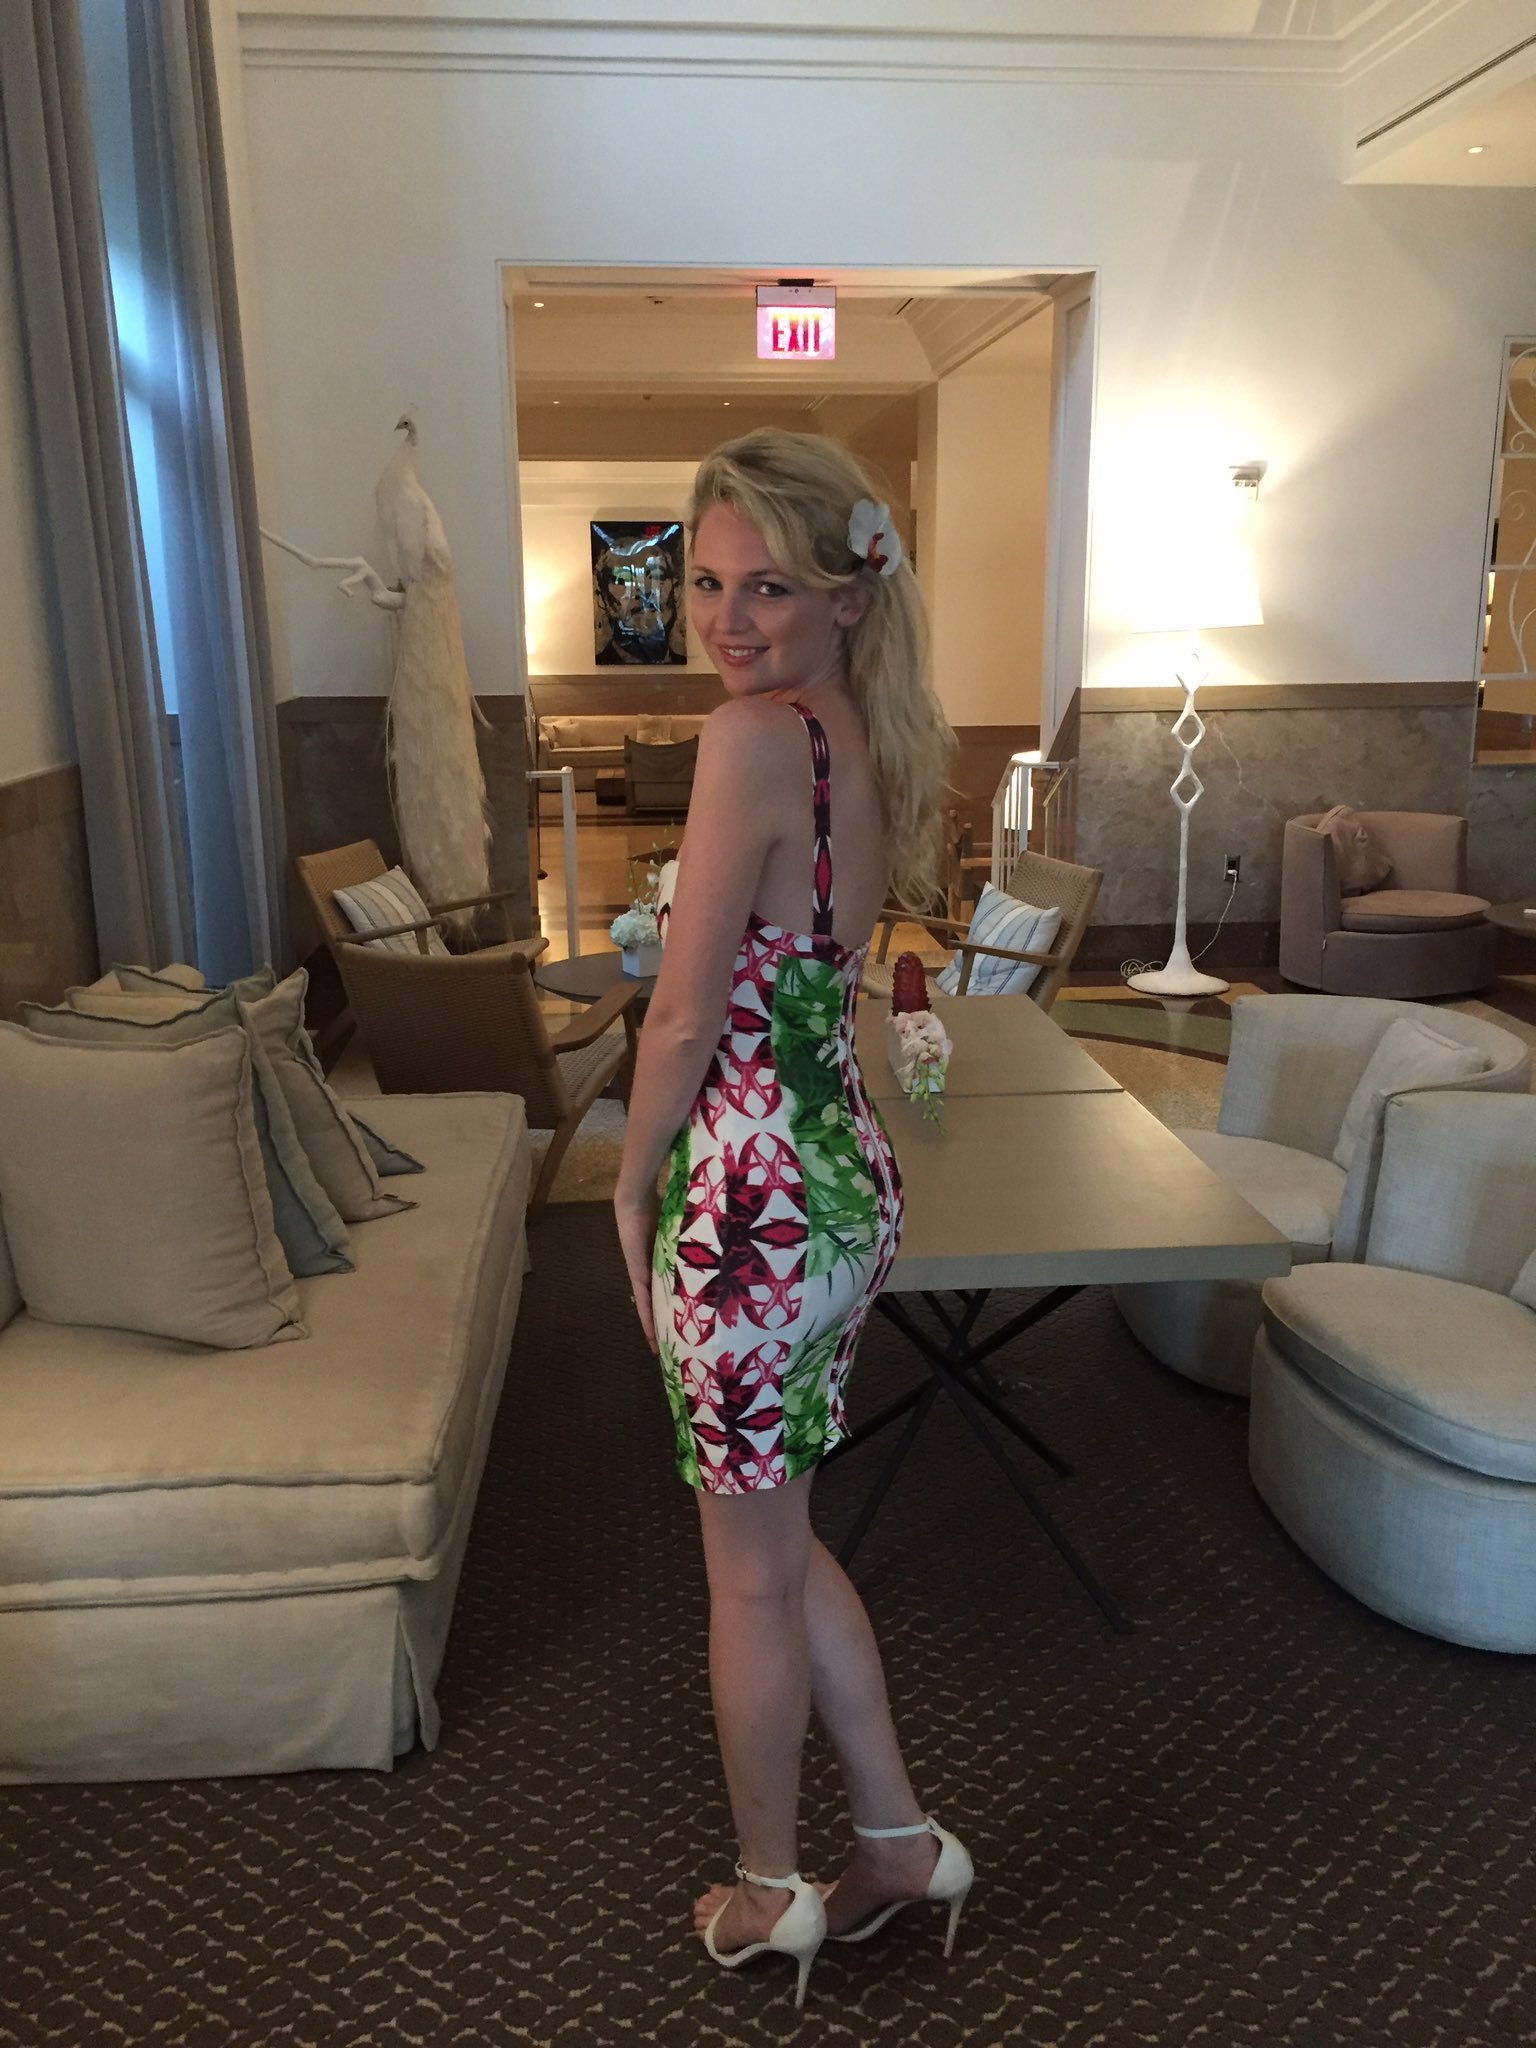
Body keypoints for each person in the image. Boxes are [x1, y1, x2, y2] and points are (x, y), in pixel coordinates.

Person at [612, 428, 972, 2007]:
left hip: (746, 1207)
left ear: (847, 592)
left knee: (747, 1573)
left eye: (767, 586)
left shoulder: (751, 739)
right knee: (781, 1537)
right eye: (707, 584)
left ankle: (771, 1890)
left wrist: (630, 1180)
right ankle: (894, 1843)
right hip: (837, 1186)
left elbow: (685, 1017)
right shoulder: (867, 733)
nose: (727, 619)